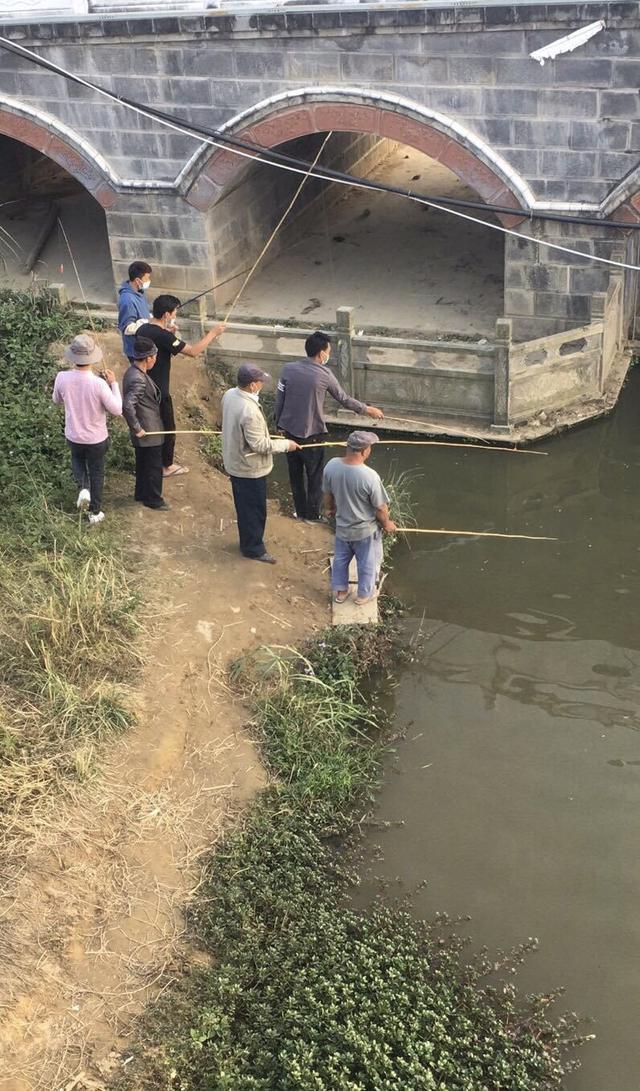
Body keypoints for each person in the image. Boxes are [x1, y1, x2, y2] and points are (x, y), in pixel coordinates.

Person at [274, 331, 384, 523]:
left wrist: (278, 423)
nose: (328, 355)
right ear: (321, 353)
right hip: (313, 434)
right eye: (328, 351)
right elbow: (344, 399)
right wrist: (367, 410)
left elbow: (279, 399)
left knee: (295, 475)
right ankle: (312, 516)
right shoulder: (324, 374)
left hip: (289, 433)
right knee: (315, 477)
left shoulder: (288, 369)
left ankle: (299, 513)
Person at [137, 294, 225, 479]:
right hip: (159, 389)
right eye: (175, 311)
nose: (176, 314)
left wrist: (170, 333)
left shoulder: (143, 328)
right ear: (167, 315)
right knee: (168, 427)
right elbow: (193, 352)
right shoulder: (163, 336)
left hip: (144, 385)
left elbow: (162, 343)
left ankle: (152, 462)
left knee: (150, 425)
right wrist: (213, 334)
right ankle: (165, 466)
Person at [222, 364, 299, 564]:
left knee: (244, 506)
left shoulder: (230, 394)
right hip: (249, 468)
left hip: (234, 460)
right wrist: (285, 445)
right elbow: (259, 445)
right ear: (252, 385)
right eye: (260, 381)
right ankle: (253, 549)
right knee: (254, 509)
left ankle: (247, 542)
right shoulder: (250, 411)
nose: (263, 384)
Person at [52, 333, 122, 525]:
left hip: (74, 435)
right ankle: (95, 513)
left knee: (77, 460)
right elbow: (117, 409)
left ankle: (84, 488)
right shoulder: (99, 384)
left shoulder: (62, 377)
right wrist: (113, 384)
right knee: (97, 472)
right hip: (97, 439)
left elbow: (56, 400)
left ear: (73, 357)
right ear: (92, 357)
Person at [322, 430, 396, 606]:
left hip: (342, 528)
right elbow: (380, 507)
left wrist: (330, 509)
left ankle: (341, 592)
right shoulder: (369, 476)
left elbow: (327, 493)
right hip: (365, 532)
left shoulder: (331, 465)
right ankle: (364, 595)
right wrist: (387, 523)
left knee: (340, 560)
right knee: (368, 564)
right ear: (364, 451)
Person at [122, 336, 168, 512]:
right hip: (148, 431)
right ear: (148, 358)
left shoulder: (133, 372)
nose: (155, 360)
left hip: (147, 430)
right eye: (154, 356)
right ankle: (154, 499)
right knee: (153, 467)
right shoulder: (138, 379)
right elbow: (127, 405)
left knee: (142, 464)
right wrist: (137, 428)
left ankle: (141, 493)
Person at [118, 260, 152, 362]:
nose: (149, 281)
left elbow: (143, 312)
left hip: (144, 343)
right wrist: (147, 322)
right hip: (136, 350)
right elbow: (127, 328)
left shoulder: (138, 292)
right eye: (147, 278)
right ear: (138, 280)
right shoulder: (128, 300)